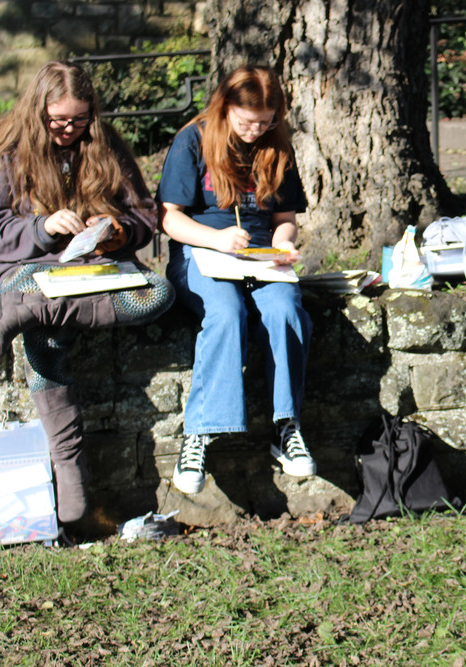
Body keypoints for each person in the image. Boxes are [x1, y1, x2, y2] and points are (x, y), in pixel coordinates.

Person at [0, 60, 176, 524]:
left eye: (78, 120)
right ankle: (72, 488)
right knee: (46, 346)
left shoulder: (105, 147)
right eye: (57, 120)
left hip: (95, 270)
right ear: (37, 109)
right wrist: (42, 227)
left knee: (158, 292)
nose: (67, 129)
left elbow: (144, 214)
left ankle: (33, 312)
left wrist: (118, 232)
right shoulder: (7, 152)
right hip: (30, 271)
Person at [157, 65, 313, 496]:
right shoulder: (193, 139)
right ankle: (200, 434)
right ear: (225, 109)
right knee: (224, 313)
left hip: (260, 256)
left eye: (265, 122)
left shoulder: (276, 147)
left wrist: (283, 246)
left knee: (285, 309)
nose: (255, 130)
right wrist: (217, 239)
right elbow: (170, 217)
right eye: (246, 122)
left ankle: (286, 425)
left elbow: (285, 220)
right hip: (202, 251)